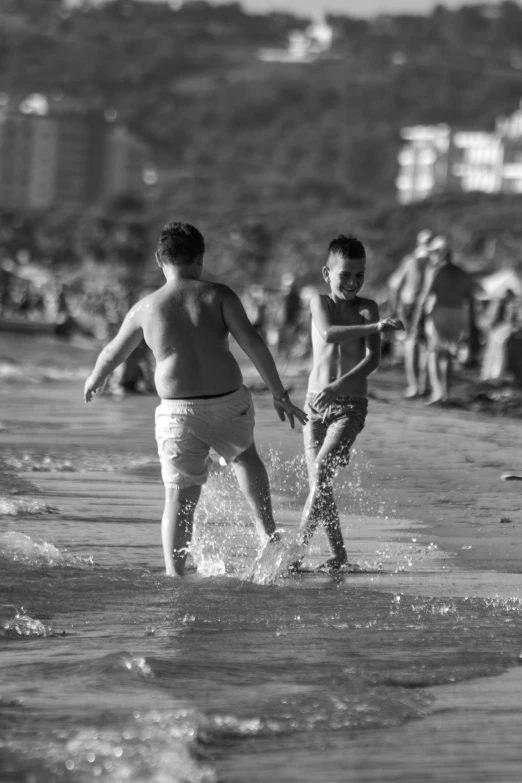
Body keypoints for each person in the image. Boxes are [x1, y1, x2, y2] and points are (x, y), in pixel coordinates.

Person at [84, 222, 307, 577]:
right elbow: (253, 344)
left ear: (160, 259)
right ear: (200, 258)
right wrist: (279, 394)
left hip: (177, 413)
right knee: (244, 457)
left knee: (180, 494)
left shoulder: (146, 307)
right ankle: (267, 533)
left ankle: (175, 571)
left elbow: (113, 352)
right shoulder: (219, 295)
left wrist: (95, 379)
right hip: (227, 402)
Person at [292, 235, 404, 572]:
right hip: (314, 405)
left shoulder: (368, 307)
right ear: (328, 274)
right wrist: (376, 327)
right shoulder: (319, 302)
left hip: (350, 406)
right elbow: (328, 334)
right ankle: (338, 555)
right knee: (319, 483)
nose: (353, 282)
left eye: (360, 275)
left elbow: (372, 361)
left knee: (323, 469)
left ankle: (296, 552)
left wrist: (338, 385)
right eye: (346, 275)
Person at [414, 246, 475, 405]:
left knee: (435, 352)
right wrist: (471, 325)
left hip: (439, 312)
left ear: (439, 256)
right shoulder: (462, 272)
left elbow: (424, 296)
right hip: (458, 312)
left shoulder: (436, 270)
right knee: (447, 353)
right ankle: (446, 392)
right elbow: (470, 298)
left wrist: (416, 321)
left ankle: (437, 391)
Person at [389, 229, 433, 398]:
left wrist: (394, 308)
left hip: (412, 303)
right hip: (425, 305)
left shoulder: (412, 260)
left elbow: (395, 284)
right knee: (426, 346)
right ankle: (422, 386)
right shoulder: (433, 261)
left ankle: (416, 386)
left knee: (413, 344)